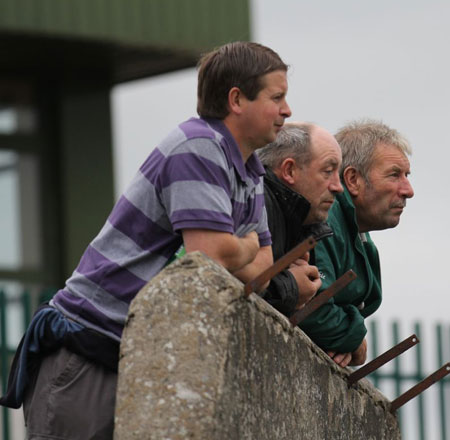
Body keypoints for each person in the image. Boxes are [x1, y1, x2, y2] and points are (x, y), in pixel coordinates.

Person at [0, 41, 291, 439]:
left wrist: (237, 251)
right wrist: (244, 246)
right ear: (237, 99)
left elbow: (264, 273)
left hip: (132, 357)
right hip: (87, 355)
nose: (287, 111)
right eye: (277, 97)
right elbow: (208, 256)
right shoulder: (198, 145)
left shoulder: (250, 170)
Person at [299, 120, 414, 367]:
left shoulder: (358, 234)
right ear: (352, 179)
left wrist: (346, 338)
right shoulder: (325, 220)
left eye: (407, 176)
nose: (408, 190)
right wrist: (356, 339)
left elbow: (353, 310)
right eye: (394, 174)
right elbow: (311, 309)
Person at [257, 122, 343, 315]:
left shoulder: (301, 218)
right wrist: (291, 287)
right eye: (328, 171)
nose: (339, 187)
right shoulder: (257, 203)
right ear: (289, 171)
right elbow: (228, 285)